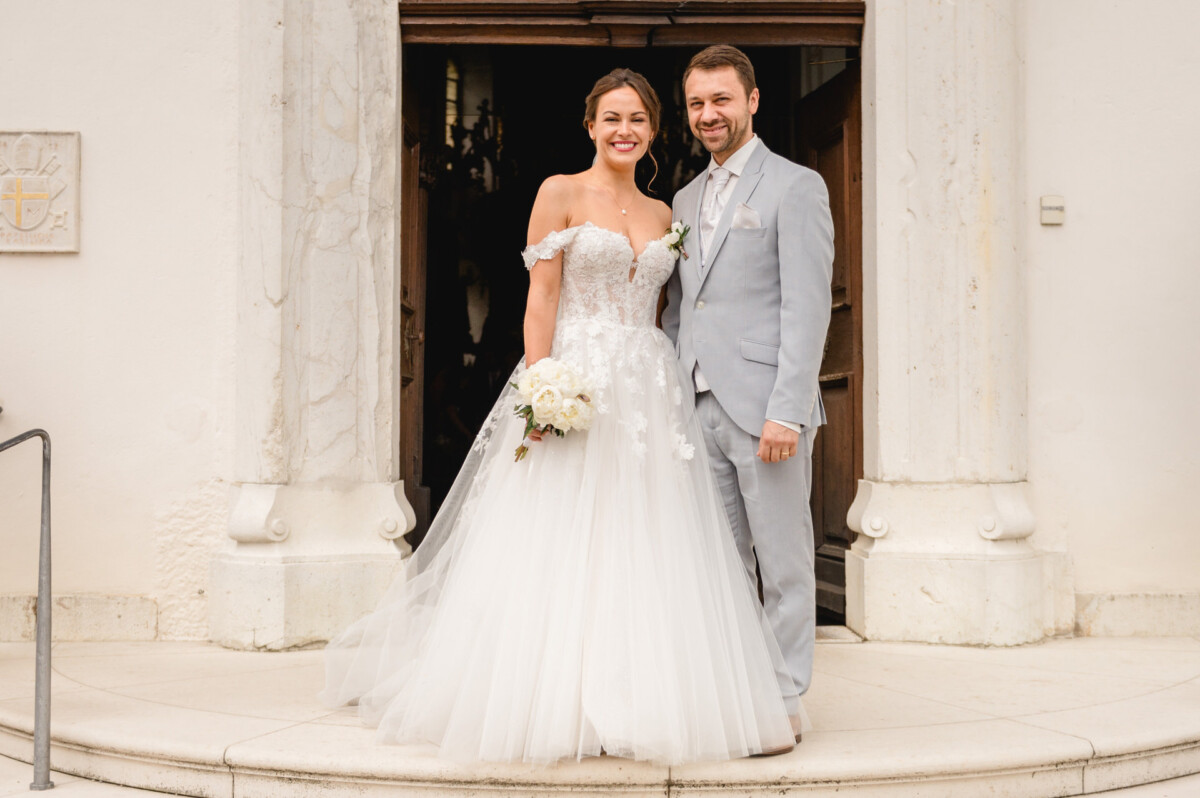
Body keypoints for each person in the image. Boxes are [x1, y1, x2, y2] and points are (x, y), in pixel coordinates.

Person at [321, 68, 802, 764]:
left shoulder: (667, 213)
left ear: (653, 131)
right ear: (590, 126)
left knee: (646, 536)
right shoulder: (559, 193)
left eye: (637, 119)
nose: (624, 130)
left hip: (647, 386)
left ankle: (643, 692)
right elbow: (541, 298)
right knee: (559, 533)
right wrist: (543, 382)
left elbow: (669, 311)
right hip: (574, 375)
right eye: (612, 118)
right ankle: (553, 697)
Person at [662, 45, 835, 728]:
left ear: (752, 101)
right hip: (700, 402)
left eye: (722, 100)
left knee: (784, 559)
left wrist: (787, 411)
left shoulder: (796, 186)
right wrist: (676, 391)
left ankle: (785, 696)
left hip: (768, 409)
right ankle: (740, 689)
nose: (709, 115)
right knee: (724, 560)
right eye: (698, 104)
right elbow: (683, 306)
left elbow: (807, 306)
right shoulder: (683, 196)